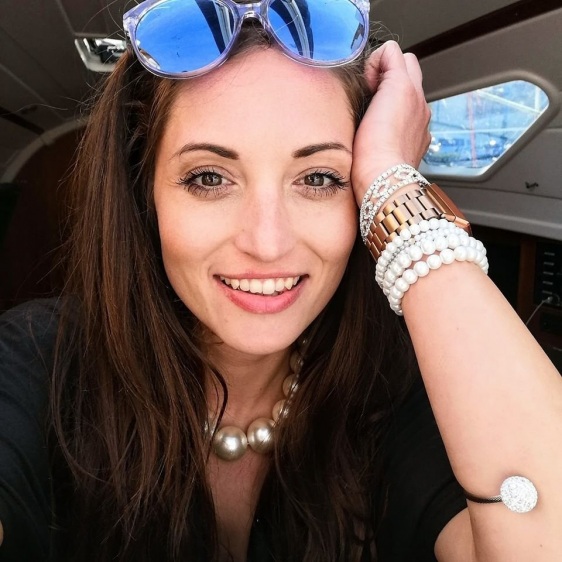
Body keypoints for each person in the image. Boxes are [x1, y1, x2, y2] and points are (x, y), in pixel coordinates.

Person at [0, 0, 561, 560]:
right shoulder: (34, 363)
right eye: (209, 178)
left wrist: (394, 178)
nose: (267, 244)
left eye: (319, 178)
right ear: (144, 191)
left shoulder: (396, 384)